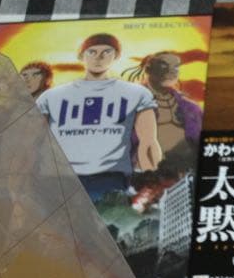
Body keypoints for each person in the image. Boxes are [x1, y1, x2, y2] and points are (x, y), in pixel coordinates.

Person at [36, 33, 162, 201]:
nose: (98, 57)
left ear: (116, 55)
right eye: (92, 52)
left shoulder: (136, 94)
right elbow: (32, 143)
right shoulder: (51, 97)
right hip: (57, 180)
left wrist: (151, 185)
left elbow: (148, 142)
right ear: (82, 55)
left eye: (106, 52)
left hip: (109, 180)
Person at [123, 51, 202, 169]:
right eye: (164, 65)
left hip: (182, 169)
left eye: (176, 66)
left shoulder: (190, 108)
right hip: (143, 171)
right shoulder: (130, 104)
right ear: (148, 69)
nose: (172, 70)